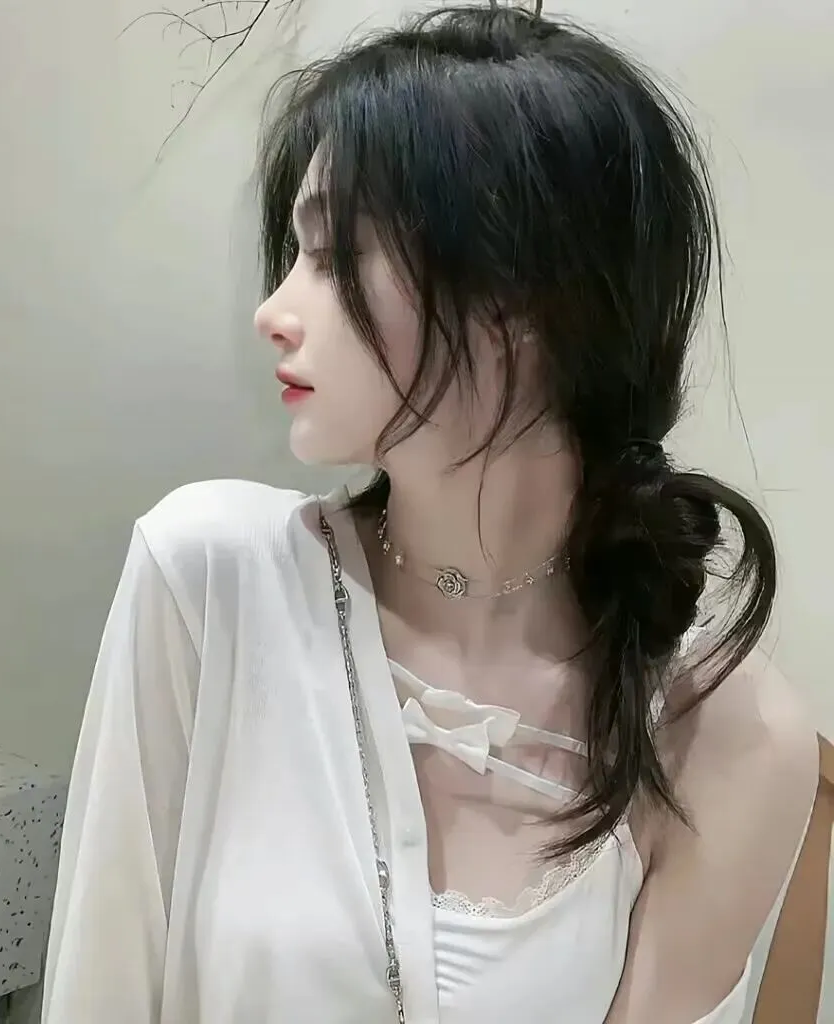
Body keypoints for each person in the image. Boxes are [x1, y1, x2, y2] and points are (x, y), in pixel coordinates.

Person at [41, 6, 818, 1023]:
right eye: (293, 252)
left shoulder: (728, 733)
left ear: (529, 296)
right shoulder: (209, 577)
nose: (275, 310)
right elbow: (99, 988)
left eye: (334, 257)